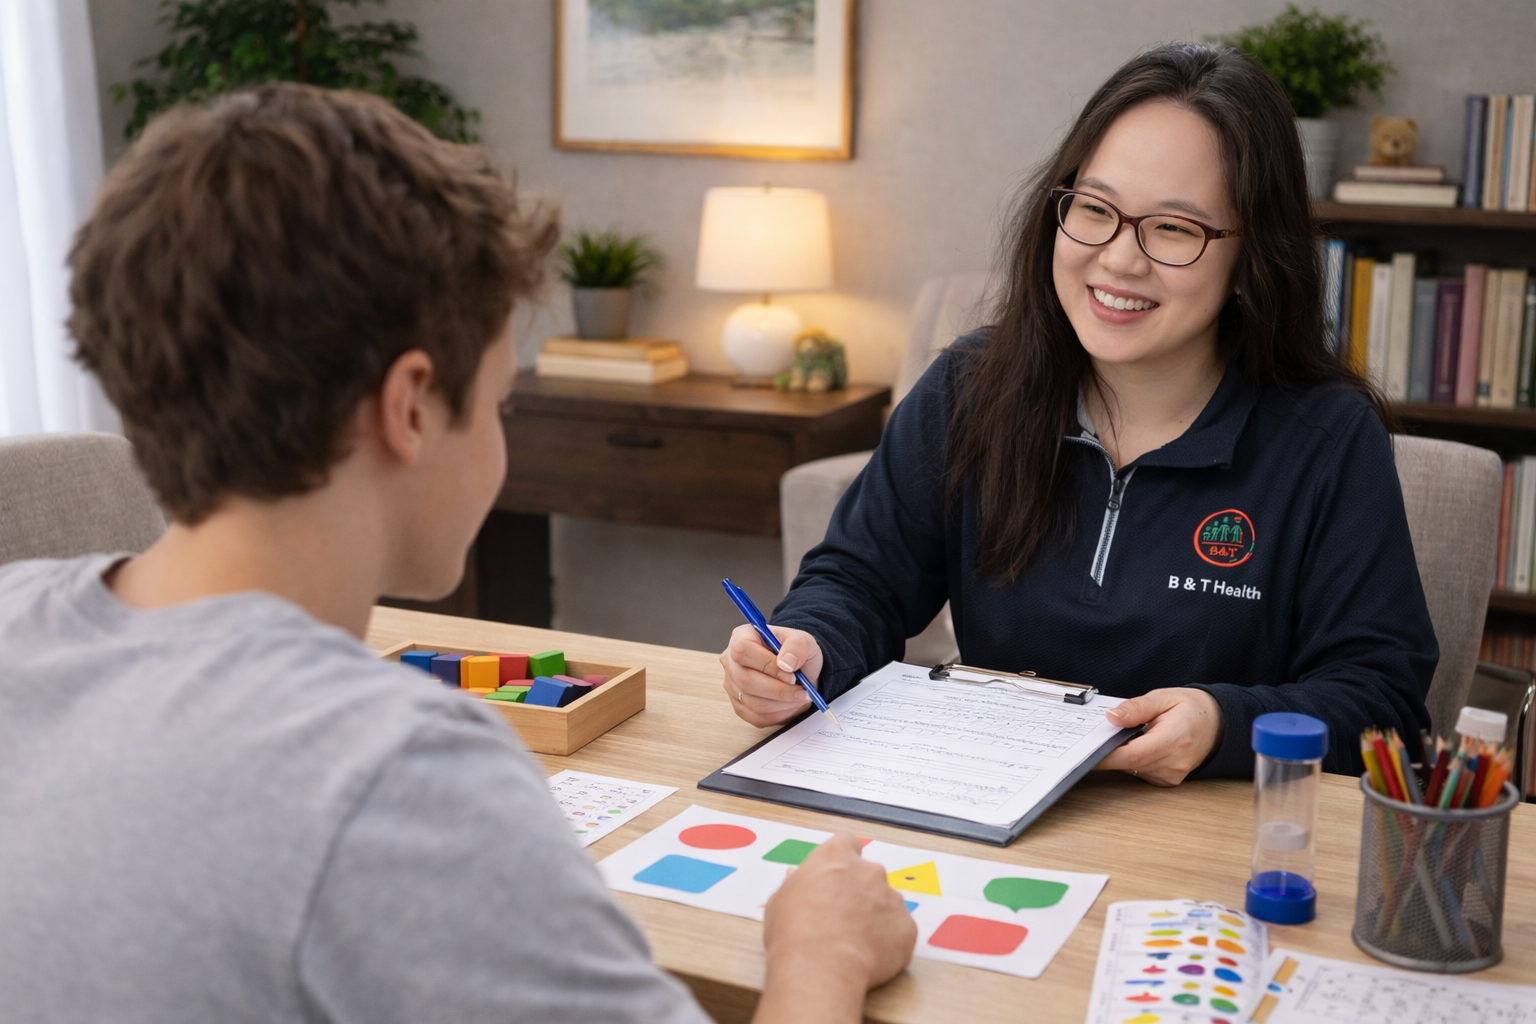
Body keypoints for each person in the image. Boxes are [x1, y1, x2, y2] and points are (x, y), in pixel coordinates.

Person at [0, 84, 914, 1023]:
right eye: (499, 404)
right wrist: (821, 954)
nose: (500, 439)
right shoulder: (404, 775)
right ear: (409, 409)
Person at [721, 44, 1437, 786]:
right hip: (983, 808)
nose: (1120, 260)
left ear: (1253, 253)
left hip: (1201, 847)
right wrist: (809, 643)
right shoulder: (970, 387)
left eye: (1173, 229)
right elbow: (859, 581)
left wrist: (1226, 723)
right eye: (1095, 209)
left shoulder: (1326, 439)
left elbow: (1383, 704)